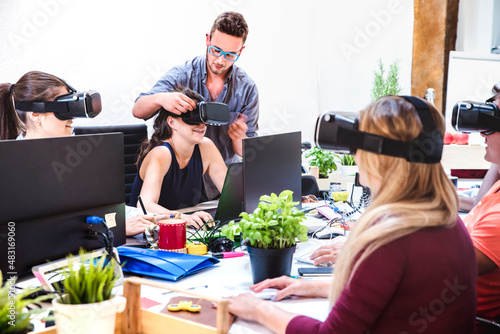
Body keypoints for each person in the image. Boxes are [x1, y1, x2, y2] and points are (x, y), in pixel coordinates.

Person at [227, 96, 477, 333]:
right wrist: (310, 286)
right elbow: (389, 292)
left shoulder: (392, 237)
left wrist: (259, 309)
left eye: (359, 145)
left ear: (380, 157)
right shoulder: (447, 222)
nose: (355, 155)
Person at [0, 71, 156, 236]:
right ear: (35, 114)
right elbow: (36, 233)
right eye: (64, 109)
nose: (72, 118)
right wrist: (115, 228)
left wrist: (153, 218)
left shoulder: (74, 157)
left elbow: (101, 209)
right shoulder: (12, 169)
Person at [132, 11, 258, 165]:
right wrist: (162, 99)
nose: (220, 60)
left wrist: (240, 138)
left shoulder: (247, 88)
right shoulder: (182, 75)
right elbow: (138, 110)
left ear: (241, 51)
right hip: (178, 173)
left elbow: (249, 151)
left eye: (230, 55)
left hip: (219, 178)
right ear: (207, 40)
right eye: (216, 50)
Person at [129, 87, 227, 228]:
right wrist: (183, 218)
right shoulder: (161, 153)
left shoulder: (206, 146)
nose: (201, 126)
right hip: (148, 231)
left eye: (203, 120)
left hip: (187, 229)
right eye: (192, 119)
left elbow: (232, 194)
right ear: (172, 122)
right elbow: (145, 205)